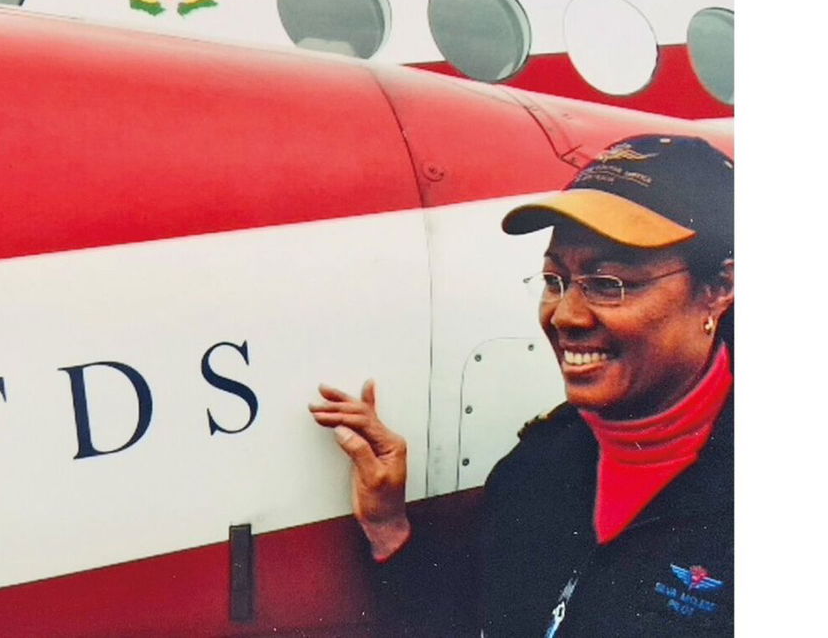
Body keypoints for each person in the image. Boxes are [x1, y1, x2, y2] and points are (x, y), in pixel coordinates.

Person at [310, 134, 734, 636]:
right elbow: (476, 619)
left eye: (609, 284)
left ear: (718, 290)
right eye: (555, 280)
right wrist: (389, 529)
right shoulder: (534, 468)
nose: (566, 315)